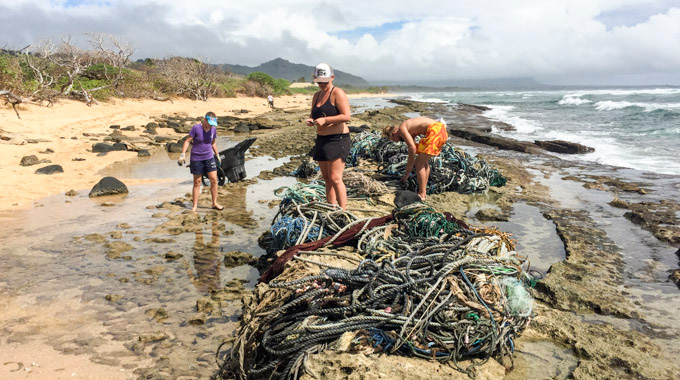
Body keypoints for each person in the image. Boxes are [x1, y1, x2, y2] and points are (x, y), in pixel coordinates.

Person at [305, 63, 351, 210]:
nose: (322, 85)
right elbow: (314, 114)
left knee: (336, 178)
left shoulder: (337, 93)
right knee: (326, 178)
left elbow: (346, 116)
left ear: (332, 77)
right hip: (322, 139)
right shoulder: (316, 95)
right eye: (319, 82)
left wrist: (326, 120)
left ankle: (343, 210)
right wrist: (312, 121)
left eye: (325, 82)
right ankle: (331, 206)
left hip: (338, 139)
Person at [382, 116, 448, 200]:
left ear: (394, 133)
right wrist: (407, 174)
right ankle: (424, 190)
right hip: (441, 131)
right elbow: (414, 149)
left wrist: (407, 172)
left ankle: (422, 194)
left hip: (435, 131)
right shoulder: (409, 129)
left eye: (394, 139)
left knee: (418, 163)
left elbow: (412, 148)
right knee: (423, 162)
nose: (397, 141)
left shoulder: (402, 128)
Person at [178, 112, 224, 212]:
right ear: (205, 120)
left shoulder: (213, 129)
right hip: (196, 158)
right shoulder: (196, 128)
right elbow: (187, 141)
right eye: (210, 123)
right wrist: (182, 154)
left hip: (209, 157)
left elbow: (213, 143)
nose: (211, 125)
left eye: (213, 124)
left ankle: (214, 203)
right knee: (197, 182)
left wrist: (217, 155)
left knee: (214, 180)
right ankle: (194, 206)